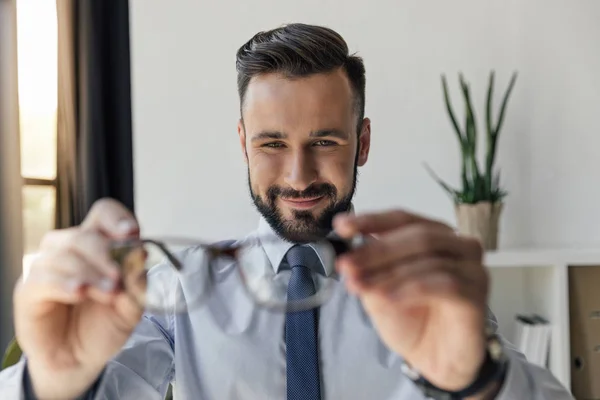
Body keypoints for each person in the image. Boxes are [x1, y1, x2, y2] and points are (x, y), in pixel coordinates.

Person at [0, 23, 573, 400]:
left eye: (325, 142)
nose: (299, 176)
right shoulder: (178, 288)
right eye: (273, 144)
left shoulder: (419, 287)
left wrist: (478, 379)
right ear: (244, 142)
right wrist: (50, 379)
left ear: (363, 141)